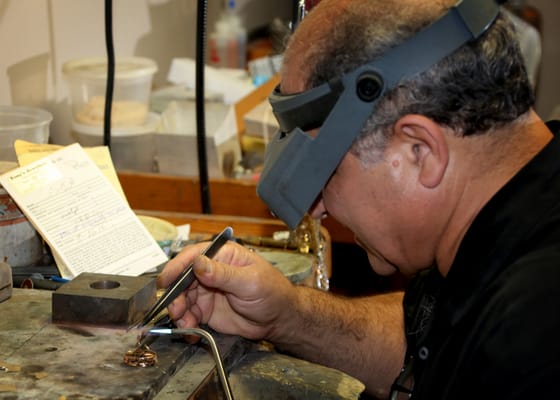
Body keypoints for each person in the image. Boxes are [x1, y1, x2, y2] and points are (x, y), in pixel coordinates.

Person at [158, 0, 560, 398]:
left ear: (419, 151)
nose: (316, 208)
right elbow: (427, 346)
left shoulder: (530, 338)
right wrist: (286, 316)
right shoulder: (511, 206)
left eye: (326, 172)